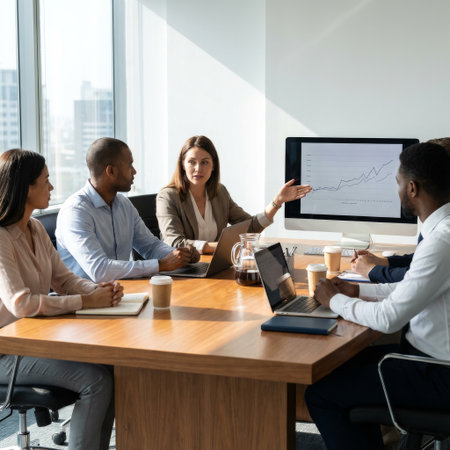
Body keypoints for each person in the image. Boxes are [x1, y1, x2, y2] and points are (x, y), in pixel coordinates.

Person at [305, 142, 450, 450]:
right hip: (430, 360)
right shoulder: (443, 230)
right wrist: (357, 290)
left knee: (320, 392)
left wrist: (335, 301)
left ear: (412, 188)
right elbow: (412, 286)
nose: (396, 189)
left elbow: (389, 318)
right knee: (338, 366)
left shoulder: (442, 240)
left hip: (438, 374)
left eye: (397, 182)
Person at [0, 149, 124, 450]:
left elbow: (64, 279)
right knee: (95, 381)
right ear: (25, 187)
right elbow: (21, 303)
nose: (52, 188)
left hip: (36, 340)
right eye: (46, 181)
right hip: (7, 352)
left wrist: (96, 290)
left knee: (111, 366)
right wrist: (85, 302)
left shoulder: (36, 228)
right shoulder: (1, 237)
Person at [56, 137, 199, 282]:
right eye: (130, 165)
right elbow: (100, 270)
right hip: (85, 300)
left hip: (121, 292)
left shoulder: (124, 204)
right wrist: (160, 265)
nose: (134, 171)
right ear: (110, 171)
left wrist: (180, 255)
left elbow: (150, 246)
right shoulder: (75, 212)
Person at [157, 135, 312, 253]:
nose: (198, 169)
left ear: (213, 166)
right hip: (182, 272)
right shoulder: (168, 197)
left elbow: (249, 227)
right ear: (183, 164)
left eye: (204, 162)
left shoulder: (219, 193)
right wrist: (220, 248)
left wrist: (277, 202)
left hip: (214, 268)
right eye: (192, 162)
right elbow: (175, 242)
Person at [351, 137, 450, 283]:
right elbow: (423, 259)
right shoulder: (437, 215)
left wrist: (371, 270)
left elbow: (418, 277)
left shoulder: (444, 228)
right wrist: (383, 261)